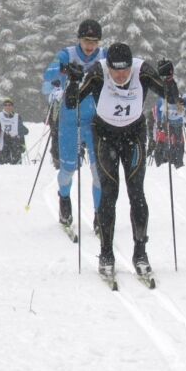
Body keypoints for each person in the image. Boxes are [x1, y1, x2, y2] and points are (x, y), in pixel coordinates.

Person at [65, 42, 178, 278]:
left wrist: (168, 78)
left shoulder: (142, 70)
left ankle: (140, 252)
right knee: (109, 194)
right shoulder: (98, 72)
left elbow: (171, 97)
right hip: (105, 136)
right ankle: (106, 253)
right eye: (115, 71)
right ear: (108, 67)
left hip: (134, 135)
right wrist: (73, 82)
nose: (120, 76)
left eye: (124, 71)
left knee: (136, 192)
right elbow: (71, 102)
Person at [42, 19, 104, 231]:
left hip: (96, 121)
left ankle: (99, 214)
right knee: (68, 169)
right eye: (87, 41)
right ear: (79, 39)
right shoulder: (67, 54)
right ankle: (65, 199)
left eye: (94, 42)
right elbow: (47, 76)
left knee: (99, 172)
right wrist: (65, 69)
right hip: (70, 119)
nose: (90, 46)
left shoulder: (103, 56)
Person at [151, 58, 186, 168]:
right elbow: (159, 110)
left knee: (177, 143)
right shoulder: (163, 97)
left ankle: (177, 163)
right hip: (168, 123)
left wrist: (184, 103)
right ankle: (168, 162)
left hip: (177, 123)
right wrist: (160, 122)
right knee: (169, 143)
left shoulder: (178, 93)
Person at [0, 97, 29, 164]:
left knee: (16, 161)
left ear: (12, 106)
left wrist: (22, 144)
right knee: (4, 162)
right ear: (3, 107)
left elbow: (22, 131)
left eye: (9, 105)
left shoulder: (17, 116)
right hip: (4, 141)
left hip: (15, 141)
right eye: (5, 105)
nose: (7, 107)